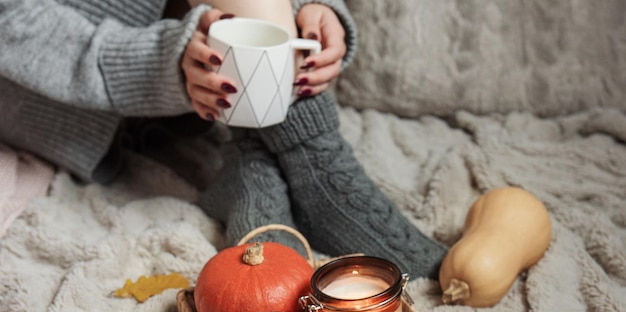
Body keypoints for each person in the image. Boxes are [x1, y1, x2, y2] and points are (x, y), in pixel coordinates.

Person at [0, 0, 447, 279]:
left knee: (260, 119)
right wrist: (152, 62)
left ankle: (261, 159)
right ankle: (320, 171)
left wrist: (313, 9)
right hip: (56, 89)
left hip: (197, 103)